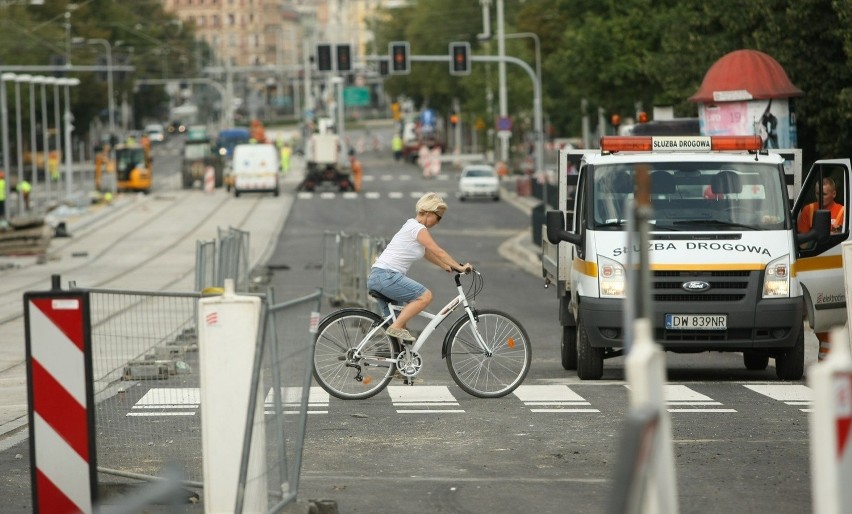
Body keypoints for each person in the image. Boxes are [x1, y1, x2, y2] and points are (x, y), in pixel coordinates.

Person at [367, 192, 473, 342]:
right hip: (386, 276)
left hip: (380, 277)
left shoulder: (411, 227)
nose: (438, 222)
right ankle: (396, 327)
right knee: (425, 296)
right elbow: (438, 250)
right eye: (439, 217)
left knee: (400, 335)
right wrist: (459, 267)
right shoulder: (417, 228)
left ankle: (397, 362)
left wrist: (445, 266)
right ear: (429, 213)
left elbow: (426, 252)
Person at [797, 177, 845, 361]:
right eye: (817, 193)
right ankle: (825, 359)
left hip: (831, 267)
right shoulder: (808, 210)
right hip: (809, 267)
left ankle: (825, 360)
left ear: (834, 194)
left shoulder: (842, 211)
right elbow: (802, 239)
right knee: (818, 322)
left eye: (824, 194)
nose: (820, 197)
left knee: (829, 322)